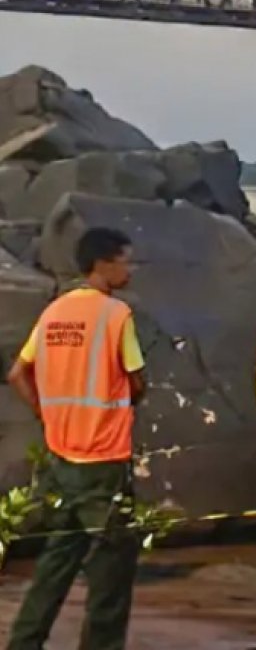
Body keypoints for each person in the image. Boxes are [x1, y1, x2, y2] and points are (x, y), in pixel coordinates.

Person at [6, 227, 146, 650]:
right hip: (103, 461)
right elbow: (137, 381)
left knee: (56, 562)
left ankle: (24, 643)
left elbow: (17, 374)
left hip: (61, 457)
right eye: (127, 260)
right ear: (103, 264)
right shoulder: (116, 315)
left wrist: (47, 416)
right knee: (112, 568)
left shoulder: (54, 312)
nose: (131, 269)